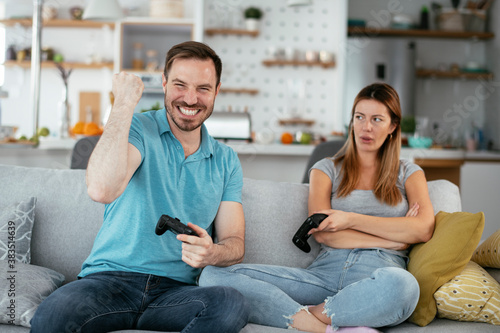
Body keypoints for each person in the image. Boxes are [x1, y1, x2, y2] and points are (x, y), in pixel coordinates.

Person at [31, 41, 249, 333]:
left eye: (203, 88)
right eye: (180, 85)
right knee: (52, 316)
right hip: (109, 282)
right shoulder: (138, 129)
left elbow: (235, 242)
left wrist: (213, 253)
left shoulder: (226, 160)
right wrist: (122, 103)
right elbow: (101, 190)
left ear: (217, 91)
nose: (190, 98)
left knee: (230, 303)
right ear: (164, 84)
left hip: (176, 293)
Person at [199, 83, 435, 333]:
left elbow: (423, 229)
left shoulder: (409, 172)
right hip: (322, 277)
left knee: (406, 286)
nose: (366, 127)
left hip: (377, 278)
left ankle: (315, 314)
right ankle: (321, 326)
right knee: (213, 275)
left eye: (377, 119)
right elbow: (323, 234)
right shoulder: (326, 169)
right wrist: (396, 240)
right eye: (359, 117)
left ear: (393, 126)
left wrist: (349, 219)